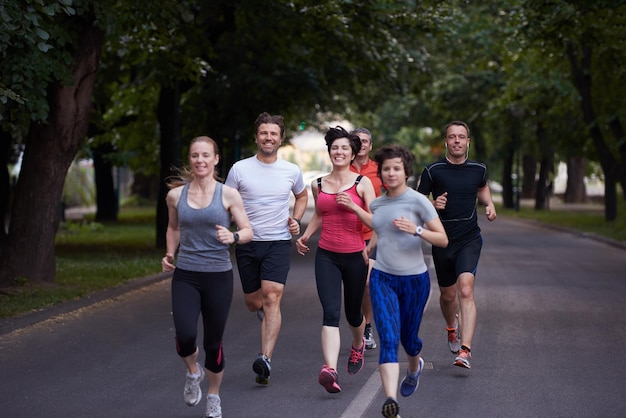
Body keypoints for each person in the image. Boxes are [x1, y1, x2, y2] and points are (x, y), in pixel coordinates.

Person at [339, 145, 448, 418]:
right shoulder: (377, 203)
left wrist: (418, 229)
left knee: (408, 340)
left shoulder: (418, 202)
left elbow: (443, 239)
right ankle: (390, 401)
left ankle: (414, 367)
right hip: (383, 278)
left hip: (414, 281)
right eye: (386, 168)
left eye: (396, 168)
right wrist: (365, 232)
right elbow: (379, 224)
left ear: (405, 171)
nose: (390, 173)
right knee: (388, 339)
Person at [162, 136, 253, 418]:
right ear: (190, 160)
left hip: (218, 276)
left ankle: (213, 396)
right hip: (187, 274)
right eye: (194, 156)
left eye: (205, 155)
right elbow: (173, 228)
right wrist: (169, 253)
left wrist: (233, 235)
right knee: (186, 335)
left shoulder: (227, 194)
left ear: (215, 159)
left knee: (213, 343)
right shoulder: (176, 196)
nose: (200, 160)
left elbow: (248, 231)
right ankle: (193, 372)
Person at [225, 112, 308, 385]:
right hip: (247, 242)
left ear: (281, 138)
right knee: (254, 303)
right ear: (256, 137)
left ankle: (265, 359)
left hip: (278, 242)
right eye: (264, 133)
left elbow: (302, 195)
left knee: (273, 296)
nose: (268, 137)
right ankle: (261, 310)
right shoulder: (239, 169)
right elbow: (225, 202)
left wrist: (295, 219)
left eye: (273, 133)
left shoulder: (291, 170)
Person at [295, 126, 376, 394]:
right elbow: (320, 214)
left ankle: (357, 344)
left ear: (353, 153)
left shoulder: (361, 183)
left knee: (353, 314)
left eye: (344, 148)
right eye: (335, 148)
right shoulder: (318, 183)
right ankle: (329, 369)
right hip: (327, 255)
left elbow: (376, 221)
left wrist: (353, 206)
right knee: (330, 312)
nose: (339, 152)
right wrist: (305, 236)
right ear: (329, 152)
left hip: (355, 255)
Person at [417, 120, 497, 369]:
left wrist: (489, 203)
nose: (457, 141)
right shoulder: (433, 170)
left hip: (469, 238)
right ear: (446, 141)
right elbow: (417, 200)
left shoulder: (478, 169)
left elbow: (482, 188)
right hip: (442, 239)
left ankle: (465, 350)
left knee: (465, 289)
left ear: (468, 141)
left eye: (461, 137)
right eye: (452, 137)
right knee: (447, 294)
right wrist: (433, 205)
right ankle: (451, 327)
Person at [350, 128, 384, 350]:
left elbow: (395, 193)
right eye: (357, 141)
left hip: (373, 234)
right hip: (347, 235)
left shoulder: (379, 170)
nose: (361, 144)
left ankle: (367, 328)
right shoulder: (344, 168)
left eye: (365, 141)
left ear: (370, 146)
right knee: (354, 285)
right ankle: (358, 323)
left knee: (367, 282)